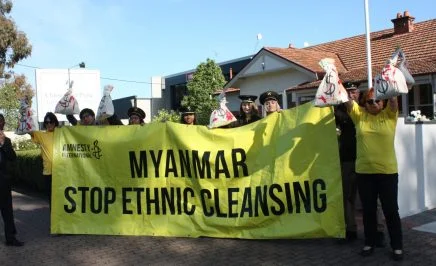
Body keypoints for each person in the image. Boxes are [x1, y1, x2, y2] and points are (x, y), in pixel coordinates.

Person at [344, 88, 403, 261]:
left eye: (378, 100)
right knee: (368, 211)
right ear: (365, 103)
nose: (374, 103)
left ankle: (397, 246)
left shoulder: (389, 115)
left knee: (391, 211)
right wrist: (333, 76)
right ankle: (369, 242)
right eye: (370, 101)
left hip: (387, 173)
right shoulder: (360, 116)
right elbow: (346, 100)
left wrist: (391, 77)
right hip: (365, 173)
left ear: (383, 102)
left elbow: (393, 98)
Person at [334, 82, 360, 242]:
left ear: (359, 93)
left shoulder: (366, 107)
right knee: (347, 196)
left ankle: (377, 231)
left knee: (371, 198)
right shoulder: (339, 111)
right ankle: (350, 229)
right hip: (346, 159)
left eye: (354, 92)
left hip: (366, 159)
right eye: (348, 92)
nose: (351, 95)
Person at [0, 114, 24, 246]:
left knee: (7, 211)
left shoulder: (7, 140)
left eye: (2, 122)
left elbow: (12, 157)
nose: (2, 124)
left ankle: (10, 238)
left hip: (3, 181)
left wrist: (3, 144)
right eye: (0, 122)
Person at [29, 112, 59, 206]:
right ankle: (53, 220)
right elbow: (28, 129)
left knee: (61, 199)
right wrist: (26, 111)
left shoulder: (62, 133)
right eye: (46, 122)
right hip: (48, 173)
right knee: (51, 199)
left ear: (55, 122)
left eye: (51, 122)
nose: (49, 124)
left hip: (61, 172)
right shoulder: (41, 135)